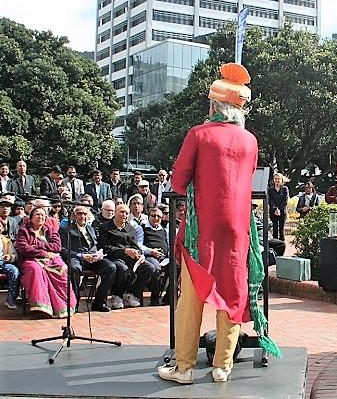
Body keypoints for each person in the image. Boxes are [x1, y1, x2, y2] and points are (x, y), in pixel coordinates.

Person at [158, 62, 276, 385]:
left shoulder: (198, 134)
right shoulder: (250, 141)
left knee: (192, 297)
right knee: (232, 296)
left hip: (202, 231)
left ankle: (184, 367)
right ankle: (222, 366)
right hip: (238, 232)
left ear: (214, 105)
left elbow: (178, 181)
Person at [15, 206, 77, 318]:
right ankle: (41, 308)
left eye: (43, 215)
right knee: (36, 270)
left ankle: (62, 306)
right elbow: (24, 248)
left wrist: (38, 245)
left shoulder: (50, 230)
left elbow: (57, 246)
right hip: (31, 259)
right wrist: (44, 253)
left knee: (62, 268)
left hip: (51, 259)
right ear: (31, 217)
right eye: (37, 214)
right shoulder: (24, 231)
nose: (40, 217)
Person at [98, 202, 155, 309]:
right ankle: (117, 295)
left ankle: (132, 294)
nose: (124, 215)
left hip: (130, 257)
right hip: (113, 257)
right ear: (115, 213)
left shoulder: (130, 229)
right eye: (121, 212)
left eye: (126, 213)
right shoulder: (104, 227)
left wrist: (139, 254)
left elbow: (135, 245)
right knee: (123, 268)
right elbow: (104, 247)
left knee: (149, 267)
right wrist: (124, 250)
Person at [61, 204, 116, 312]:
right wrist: (81, 256)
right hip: (77, 258)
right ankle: (74, 302)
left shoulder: (92, 229)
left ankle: (99, 302)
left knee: (111, 267)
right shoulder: (65, 230)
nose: (82, 216)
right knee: (74, 268)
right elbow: (63, 249)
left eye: (85, 214)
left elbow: (98, 245)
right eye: (79, 214)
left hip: (93, 259)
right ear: (73, 216)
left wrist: (98, 255)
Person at [0, 213, 20, 309]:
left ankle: (11, 299)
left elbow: (14, 255)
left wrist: (9, 257)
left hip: (3, 264)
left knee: (15, 271)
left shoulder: (6, 240)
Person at [267, 173, 289, 241]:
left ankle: (282, 246)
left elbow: (285, 201)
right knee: (275, 229)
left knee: (281, 230)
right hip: (273, 212)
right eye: (275, 179)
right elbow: (270, 200)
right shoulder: (270, 189)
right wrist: (275, 209)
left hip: (282, 212)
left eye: (278, 179)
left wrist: (279, 209)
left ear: (281, 180)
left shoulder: (285, 189)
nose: (277, 180)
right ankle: (275, 247)